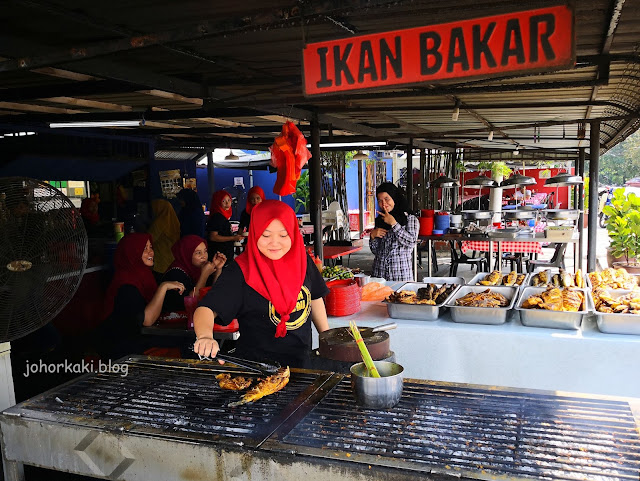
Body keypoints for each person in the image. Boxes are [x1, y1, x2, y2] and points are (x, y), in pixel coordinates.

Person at [193, 200, 329, 368]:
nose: (274, 242)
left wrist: (326, 338)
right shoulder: (242, 270)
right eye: (265, 235)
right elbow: (205, 309)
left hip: (302, 364)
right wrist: (205, 336)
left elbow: (314, 297)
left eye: (283, 234)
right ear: (255, 233)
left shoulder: (302, 260)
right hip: (257, 369)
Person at [97, 233, 185, 358]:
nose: (151, 252)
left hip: (138, 338)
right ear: (131, 254)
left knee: (184, 341)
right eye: (144, 249)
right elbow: (147, 320)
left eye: (150, 247)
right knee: (184, 344)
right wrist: (163, 287)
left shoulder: (144, 275)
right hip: (121, 347)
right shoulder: (126, 285)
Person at [161, 235, 226, 312]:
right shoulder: (175, 273)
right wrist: (204, 275)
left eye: (205, 251)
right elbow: (192, 302)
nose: (204, 256)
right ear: (187, 254)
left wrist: (218, 269)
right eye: (198, 253)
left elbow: (214, 295)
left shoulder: (198, 269)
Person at [369, 182, 419, 281]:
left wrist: (394, 224)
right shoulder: (380, 219)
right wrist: (373, 237)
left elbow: (411, 242)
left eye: (387, 198)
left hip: (400, 276)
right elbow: (376, 251)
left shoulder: (409, 219)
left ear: (394, 198)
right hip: (379, 275)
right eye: (380, 200)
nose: (384, 204)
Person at [206, 190, 243, 265]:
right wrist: (233, 238)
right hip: (219, 256)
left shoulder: (223, 216)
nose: (227, 203)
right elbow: (213, 237)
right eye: (223, 201)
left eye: (229, 200)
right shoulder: (217, 217)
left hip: (223, 256)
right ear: (217, 202)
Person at [148, 199, 181, 275]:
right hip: (171, 257)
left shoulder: (159, 222)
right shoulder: (174, 219)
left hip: (161, 257)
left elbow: (150, 238)